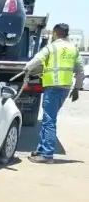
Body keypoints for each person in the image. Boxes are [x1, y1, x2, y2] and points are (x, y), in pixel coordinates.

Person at [23, 23, 84, 163]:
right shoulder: (73, 49)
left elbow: (37, 60)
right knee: (47, 119)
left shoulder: (52, 47)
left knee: (49, 121)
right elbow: (80, 71)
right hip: (65, 88)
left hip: (53, 88)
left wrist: (26, 68)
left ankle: (47, 155)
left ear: (55, 34)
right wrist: (77, 89)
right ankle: (41, 149)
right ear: (66, 34)